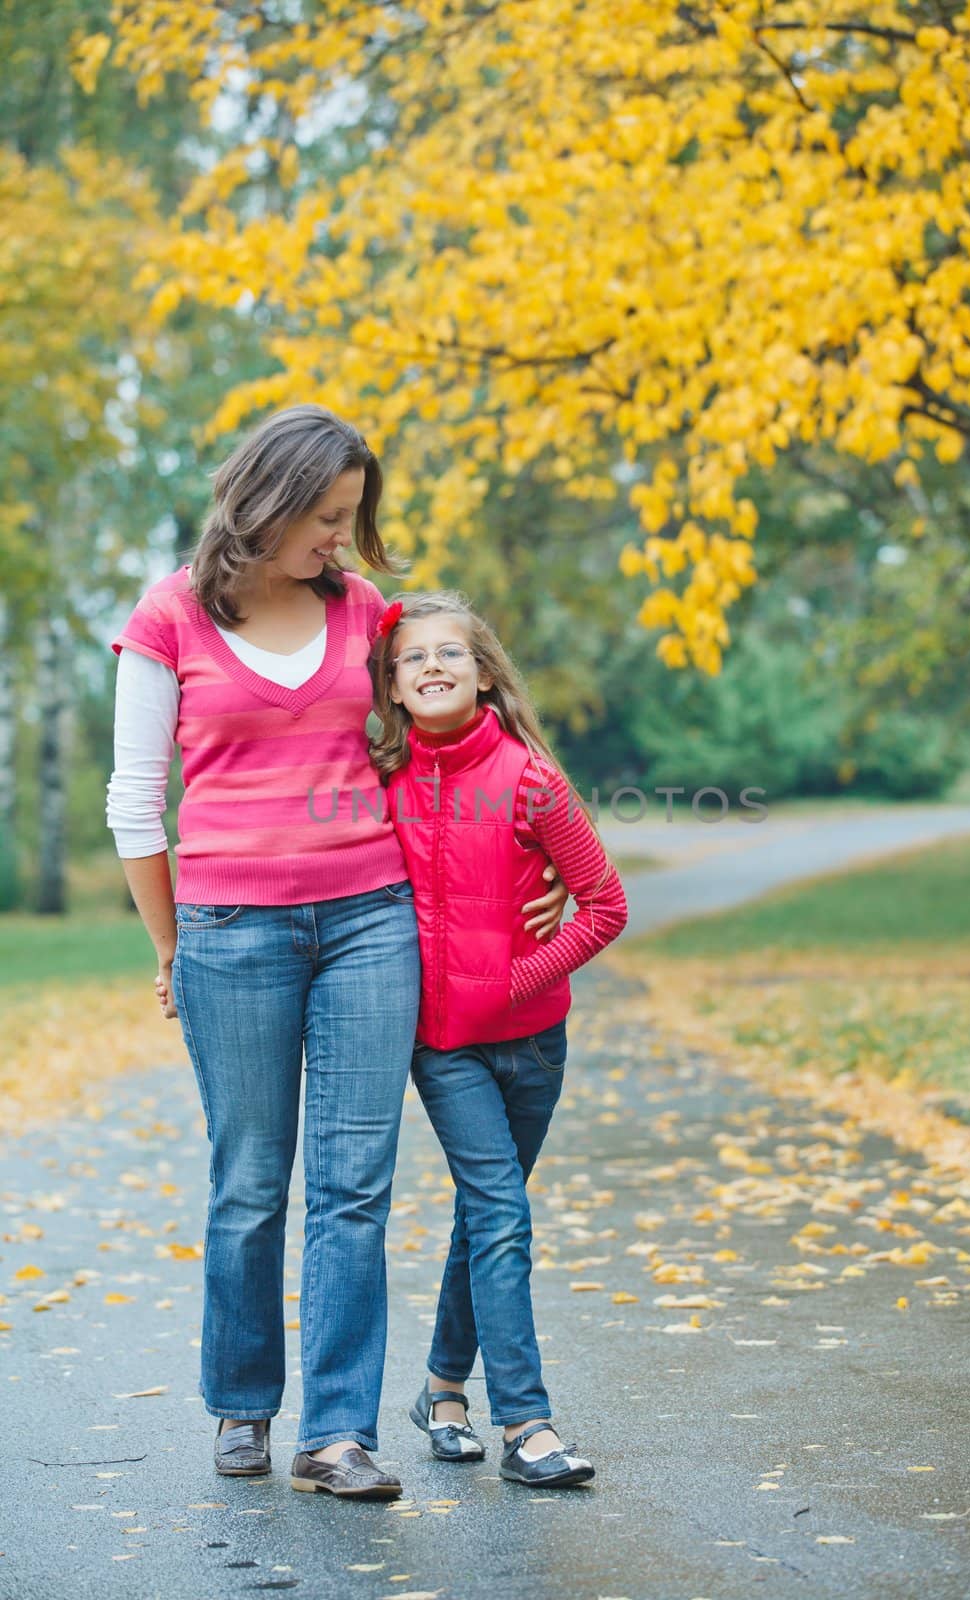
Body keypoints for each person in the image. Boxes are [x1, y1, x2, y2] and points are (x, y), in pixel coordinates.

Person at [105, 405, 566, 1498]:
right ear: (264, 504)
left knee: (355, 1183)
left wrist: (541, 855)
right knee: (251, 1177)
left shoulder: (365, 613)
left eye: (351, 517)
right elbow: (136, 803)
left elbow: (470, 725)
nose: (341, 540)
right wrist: (173, 945)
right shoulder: (169, 616)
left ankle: (337, 1433)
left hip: (370, 920)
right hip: (230, 930)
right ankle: (241, 1403)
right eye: (325, 517)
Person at [369, 591, 628, 1488]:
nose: (433, 666)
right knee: (501, 1212)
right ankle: (529, 1425)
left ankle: (442, 1392)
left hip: (533, 1042)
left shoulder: (530, 780)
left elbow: (605, 906)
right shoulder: (376, 784)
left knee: (486, 1215)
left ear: (483, 674)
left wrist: (513, 980)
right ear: (393, 686)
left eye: (452, 653)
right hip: (442, 1046)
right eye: (412, 658)